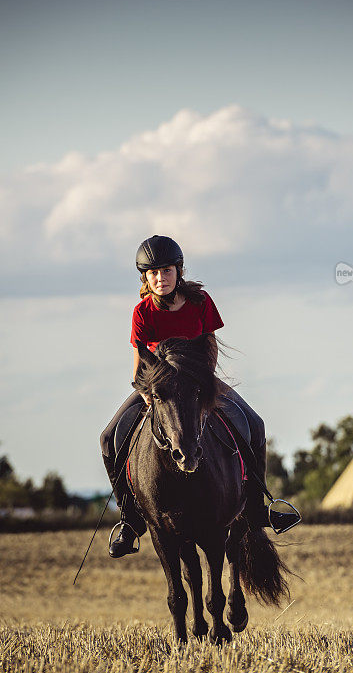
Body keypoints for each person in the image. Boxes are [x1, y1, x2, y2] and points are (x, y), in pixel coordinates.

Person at [100, 235, 298, 558]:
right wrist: (150, 396)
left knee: (255, 424)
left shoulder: (200, 302)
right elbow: (139, 368)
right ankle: (129, 519)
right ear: (145, 278)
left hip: (200, 383)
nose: (160, 278)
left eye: (166, 271)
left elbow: (210, 346)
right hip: (159, 391)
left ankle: (258, 510)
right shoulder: (141, 313)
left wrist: (202, 384)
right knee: (108, 438)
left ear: (178, 271)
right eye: (153, 273)